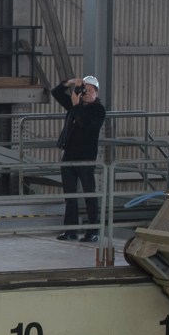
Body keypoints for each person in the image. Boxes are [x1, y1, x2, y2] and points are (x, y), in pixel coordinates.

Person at [52, 72, 106, 241]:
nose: (87, 93)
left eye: (91, 90)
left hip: (85, 157)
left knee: (89, 194)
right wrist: (69, 83)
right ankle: (71, 230)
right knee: (70, 195)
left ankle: (93, 230)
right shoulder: (76, 106)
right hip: (69, 156)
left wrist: (76, 106)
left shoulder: (98, 110)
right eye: (84, 90)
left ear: (97, 93)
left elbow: (85, 125)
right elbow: (56, 93)